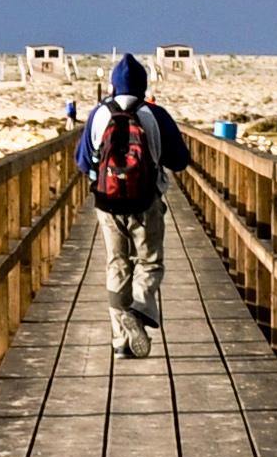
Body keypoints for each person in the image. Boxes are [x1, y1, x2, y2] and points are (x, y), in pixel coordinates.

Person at [76, 51, 191, 357]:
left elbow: (82, 160)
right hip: (145, 201)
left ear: (113, 86)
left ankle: (119, 343)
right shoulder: (155, 114)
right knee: (149, 262)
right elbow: (180, 161)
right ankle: (140, 310)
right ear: (143, 86)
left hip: (107, 203)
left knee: (117, 264)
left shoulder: (98, 115)